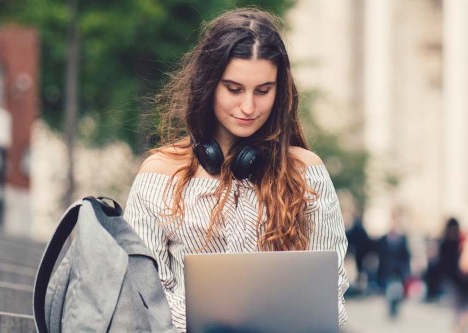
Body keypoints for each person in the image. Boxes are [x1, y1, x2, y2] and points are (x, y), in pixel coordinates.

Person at [121, 9, 349, 332]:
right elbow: (141, 295)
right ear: (209, 84)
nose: (248, 108)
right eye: (234, 88)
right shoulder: (160, 175)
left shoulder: (307, 174)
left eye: (262, 91)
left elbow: (332, 296)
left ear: (279, 91)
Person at [377, 213, 413, 320]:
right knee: (388, 290)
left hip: (399, 270)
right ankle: (391, 309)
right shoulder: (384, 239)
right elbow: (380, 254)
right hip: (387, 269)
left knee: (398, 290)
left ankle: (396, 308)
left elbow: (406, 255)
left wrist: (407, 270)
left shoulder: (402, 239)